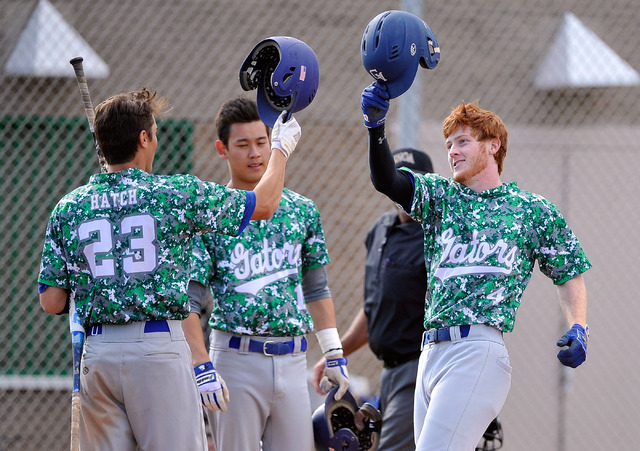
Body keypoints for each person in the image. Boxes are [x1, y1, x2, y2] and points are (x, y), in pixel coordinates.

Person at [38, 87, 301, 451]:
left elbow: (51, 301)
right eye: (156, 132)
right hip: (157, 350)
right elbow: (265, 204)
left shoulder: (69, 206)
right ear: (143, 138)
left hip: (96, 356)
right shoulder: (174, 194)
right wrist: (280, 149)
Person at [360, 82, 591, 450]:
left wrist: (579, 326)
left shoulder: (531, 209)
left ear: (493, 146)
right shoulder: (440, 196)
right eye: (449, 144)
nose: (452, 151)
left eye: (463, 141)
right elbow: (386, 179)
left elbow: (569, 273)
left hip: (478, 351)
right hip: (430, 354)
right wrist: (376, 128)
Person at [183, 97, 349, 451]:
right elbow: (190, 301)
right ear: (222, 149)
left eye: (262, 142)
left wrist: (333, 350)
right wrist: (200, 364)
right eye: (242, 144)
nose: (255, 153)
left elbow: (316, 288)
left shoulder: (301, 209)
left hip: (292, 359)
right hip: (235, 359)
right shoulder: (213, 215)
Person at [312, 147, 432, 451]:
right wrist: (337, 352)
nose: (405, 189)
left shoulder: (435, 235)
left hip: (418, 365)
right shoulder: (380, 230)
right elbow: (374, 308)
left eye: (414, 181)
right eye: (400, 179)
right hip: (389, 372)